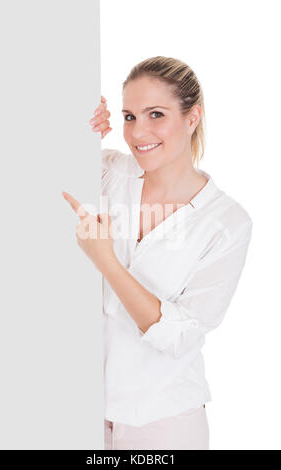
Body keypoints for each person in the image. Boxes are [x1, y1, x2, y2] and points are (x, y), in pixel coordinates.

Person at [63, 56, 253, 450]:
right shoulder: (109, 172)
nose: (138, 132)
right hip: (82, 411)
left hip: (164, 422)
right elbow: (32, 171)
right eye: (129, 116)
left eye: (156, 114)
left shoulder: (227, 223)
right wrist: (77, 126)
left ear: (192, 117)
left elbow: (179, 334)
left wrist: (107, 263)